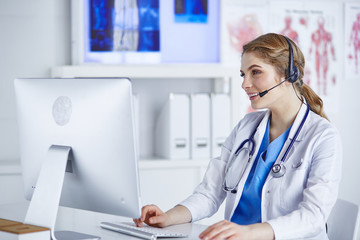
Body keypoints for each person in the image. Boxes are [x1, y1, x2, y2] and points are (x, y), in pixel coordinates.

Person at [133, 33, 342, 240]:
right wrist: (167, 218)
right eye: (243, 74)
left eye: (256, 72)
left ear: (287, 75)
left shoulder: (323, 137)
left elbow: (313, 216)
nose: (245, 84)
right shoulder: (247, 127)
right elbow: (210, 193)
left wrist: (248, 232)